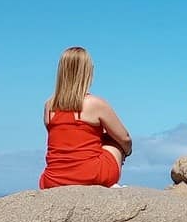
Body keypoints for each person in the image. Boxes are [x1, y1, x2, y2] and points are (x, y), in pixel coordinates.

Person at [39, 46, 132, 189]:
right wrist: (127, 152)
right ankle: (107, 183)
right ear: (87, 72)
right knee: (114, 140)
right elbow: (125, 138)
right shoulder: (95, 103)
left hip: (52, 180)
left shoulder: (49, 106)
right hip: (90, 175)